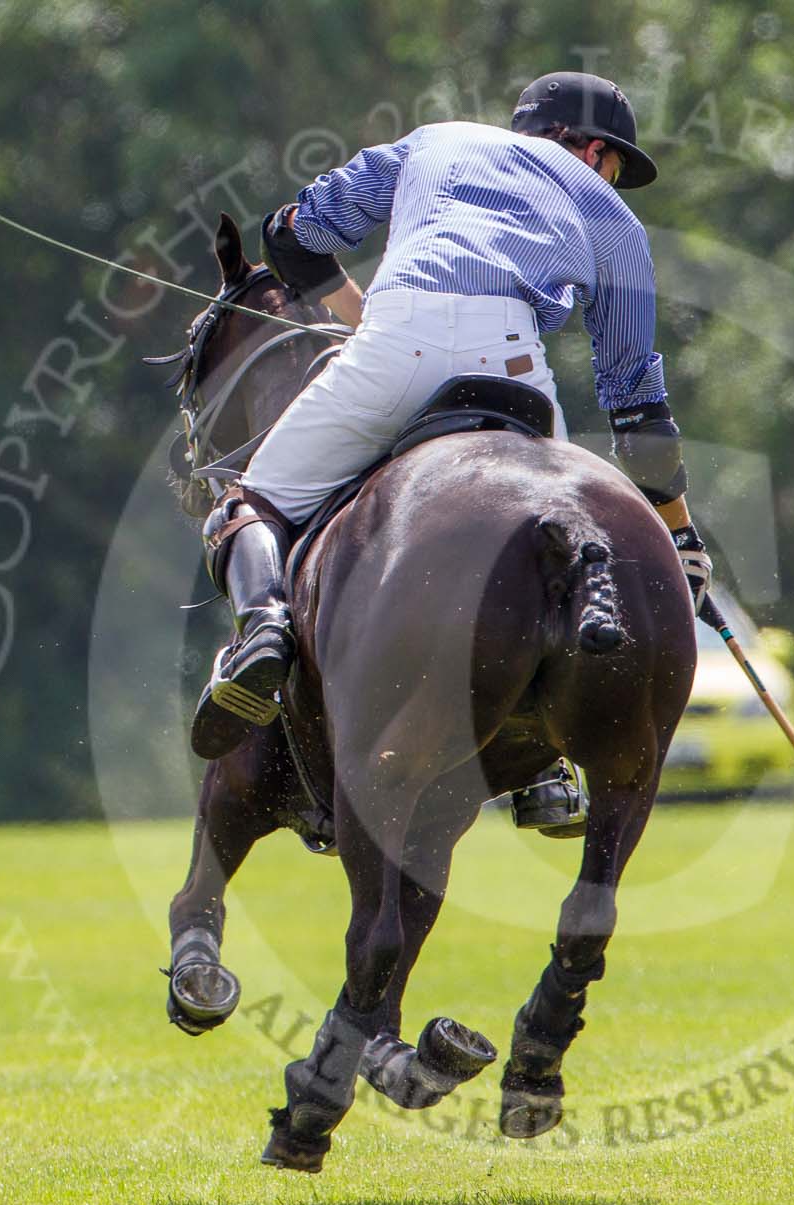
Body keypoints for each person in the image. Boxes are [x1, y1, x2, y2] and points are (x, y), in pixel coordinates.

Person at [189, 73, 712, 832]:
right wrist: (680, 534)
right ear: (592, 150)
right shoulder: (617, 223)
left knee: (247, 502)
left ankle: (264, 631)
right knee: (558, 531)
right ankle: (544, 768)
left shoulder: (434, 142)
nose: (609, 180)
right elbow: (635, 402)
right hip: (516, 368)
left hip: (394, 343)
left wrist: (359, 317)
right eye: (614, 164)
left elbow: (291, 233)